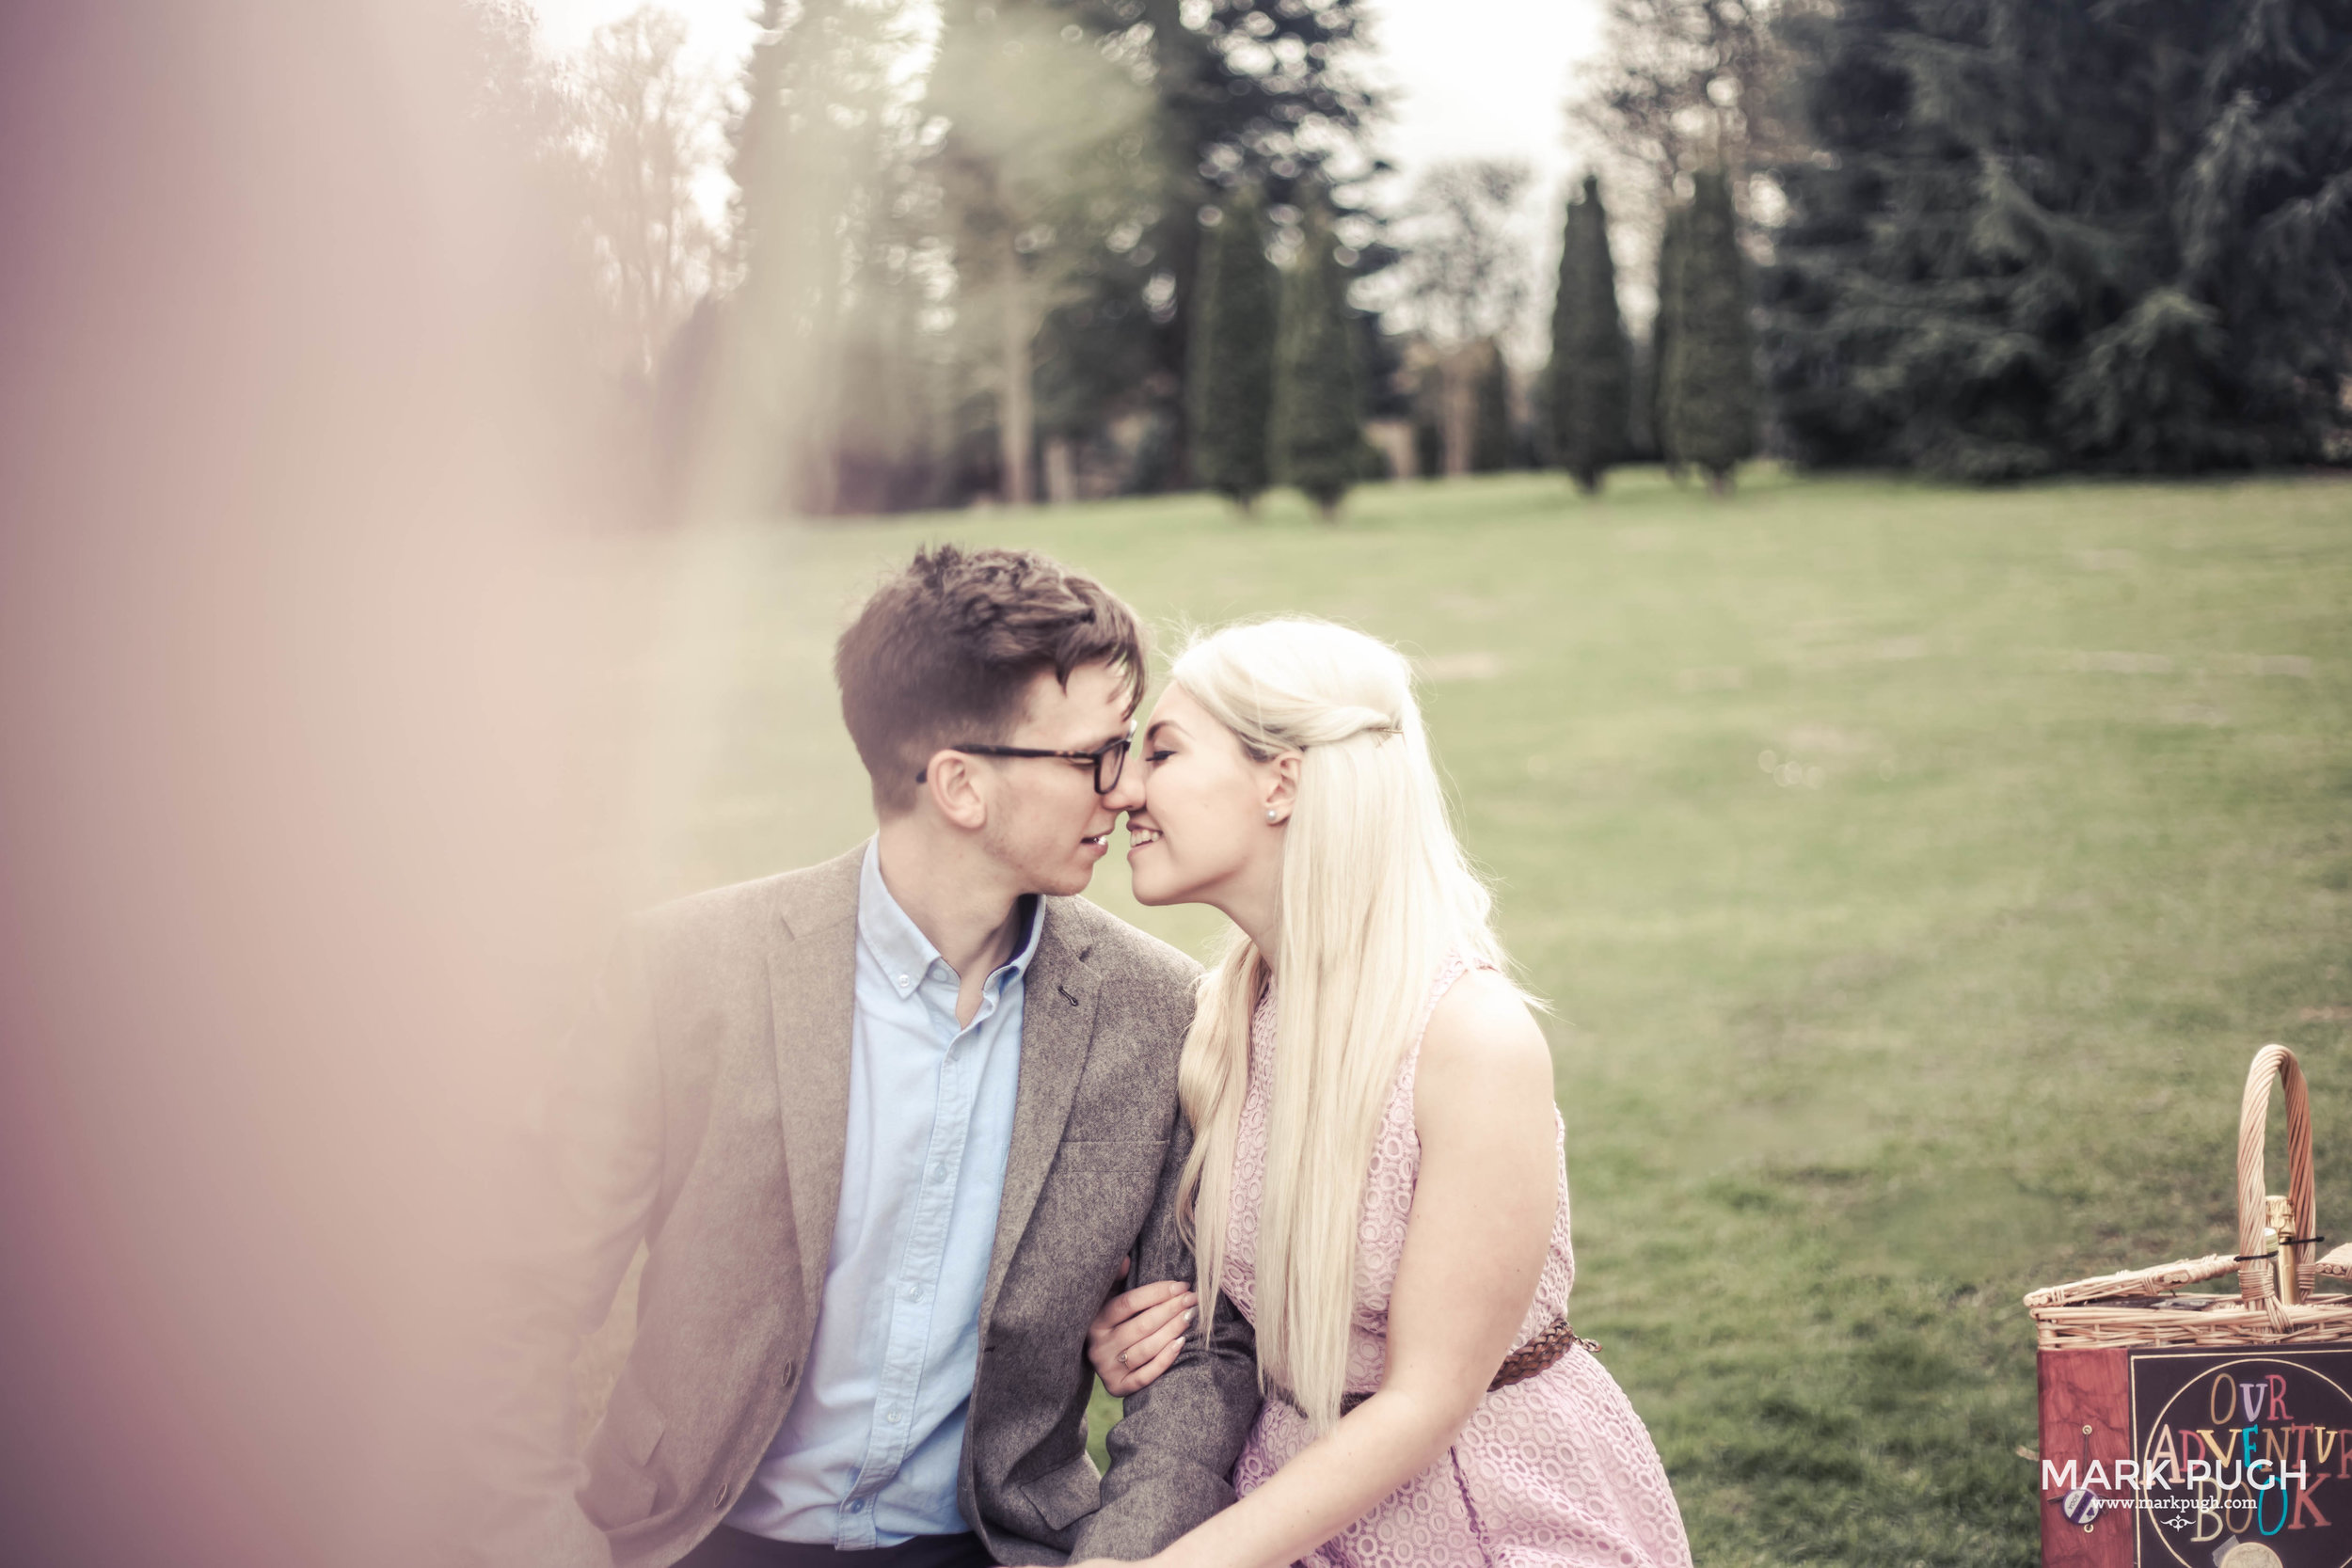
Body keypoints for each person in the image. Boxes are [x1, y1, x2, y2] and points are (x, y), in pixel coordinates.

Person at [467, 546, 1260, 1568]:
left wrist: (1121, 1553)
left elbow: (1200, 1360)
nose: (1125, 792)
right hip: (696, 1537)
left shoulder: (1159, 1012)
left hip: (993, 1544)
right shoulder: (684, 976)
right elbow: (511, 1307)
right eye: (1093, 756)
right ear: (960, 785)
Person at [1076, 618, 1693, 1568]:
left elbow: (1424, 1399)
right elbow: (1245, 1313)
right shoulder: (1220, 1022)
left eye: (1160, 750)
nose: (1122, 789)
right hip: (1291, 1503)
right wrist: (1149, 1341)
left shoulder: (1470, 1040)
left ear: (1279, 780)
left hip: (1491, 1515)